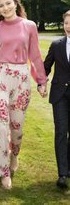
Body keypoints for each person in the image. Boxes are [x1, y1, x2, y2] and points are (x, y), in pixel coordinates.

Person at [0, 0, 47, 189]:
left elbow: (35, 55)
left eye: (8, 3)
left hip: (21, 79)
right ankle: (3, 170)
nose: (5, 8)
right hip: (1, 78)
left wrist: (42, 80)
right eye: (1, 6)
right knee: (0, 126)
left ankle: (14, 156)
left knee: (16, 127)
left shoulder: (29, 26)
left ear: (15, 4)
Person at [39, 10, 70, 189]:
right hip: (60, 95)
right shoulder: (56, 44)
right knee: (61, 132)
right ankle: (62, 174)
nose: (69, 26)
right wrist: (41, 84)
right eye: (66, 23)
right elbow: (46, 67)